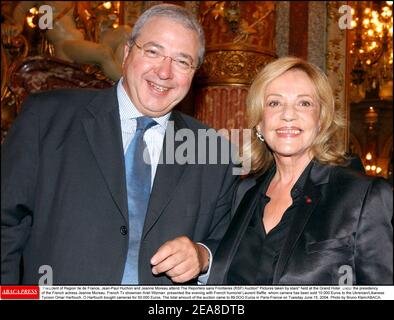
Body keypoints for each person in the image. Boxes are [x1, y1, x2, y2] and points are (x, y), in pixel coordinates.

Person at [1, 4, 238, 285]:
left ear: (194, 74)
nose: (164, 71)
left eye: (182, 61)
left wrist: (202, 256)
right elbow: (6, 224)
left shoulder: (214, 151)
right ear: (127, 53)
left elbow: (229, 247)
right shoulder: (47, 118)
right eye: (153, 51)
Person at [208, 57, 393, 285]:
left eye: (304, 103)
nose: (288, 115)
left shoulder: (365, 195)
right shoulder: (243, 194)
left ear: (321, 120)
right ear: (259, 122)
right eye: (274, 103)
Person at [3, 1, 131, 80]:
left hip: (85, 40)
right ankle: (129, 89)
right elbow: (21, 9)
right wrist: (17, 25)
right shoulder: (45, 6)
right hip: (65, 46)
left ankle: (115, 78)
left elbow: (92, 20)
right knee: (104, 52)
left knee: (125, 33)